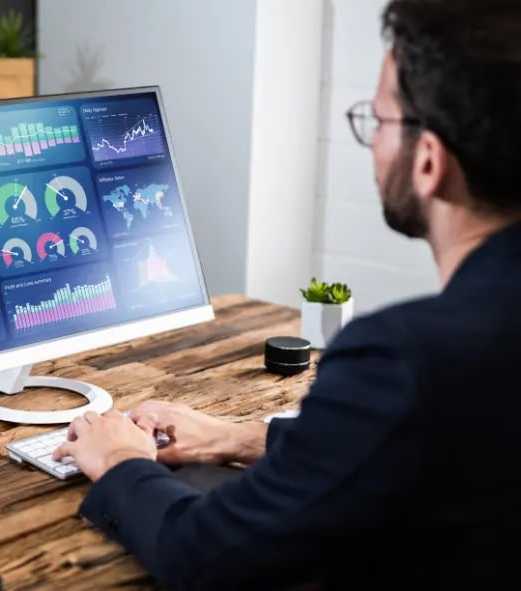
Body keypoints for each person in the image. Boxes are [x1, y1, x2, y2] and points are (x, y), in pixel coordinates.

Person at [52, 0, 521, 588]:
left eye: (378, 122)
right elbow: (444, 447)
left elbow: (206, 557)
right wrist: (237, 437)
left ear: (428, 161)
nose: (372, 142)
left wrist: (120, 458)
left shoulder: (404, 361)